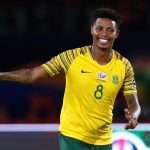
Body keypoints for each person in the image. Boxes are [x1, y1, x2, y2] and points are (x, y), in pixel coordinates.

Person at [0, 7, 141, 150]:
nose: (104, 33)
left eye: (110, 30)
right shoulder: (72, 57)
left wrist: (134, 116)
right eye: (99, 28)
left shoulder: (124, 65)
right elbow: (31, 75)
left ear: (116, 33)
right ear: (92, 29)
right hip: (73, 137)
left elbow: (133, 103)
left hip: (103, 141)